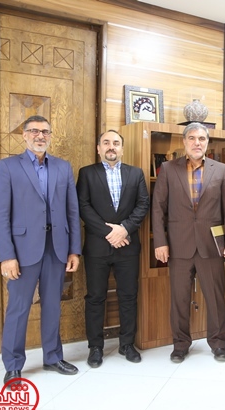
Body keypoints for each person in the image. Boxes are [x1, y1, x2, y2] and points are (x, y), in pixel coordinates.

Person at [0, 115, 82, 385]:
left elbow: (72, 211)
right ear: (24, 135)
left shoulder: (63, 167)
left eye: (45, 131)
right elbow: (0, 214)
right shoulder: (8, 167)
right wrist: (7, 256)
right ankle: (13, 365)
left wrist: (74, 250)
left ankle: (53, 357)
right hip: (22, 251)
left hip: (57, 248)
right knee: (18, 308)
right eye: (34, 131)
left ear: (50, 135)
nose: (40, 136)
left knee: (52, 306)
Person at [152, 122, 225, 363]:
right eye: (192, 138)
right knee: (179, 299)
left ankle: (218, 344)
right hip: (178, 245)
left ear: (207, 142)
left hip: (212, 246)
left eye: (201, 138)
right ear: (184, 142)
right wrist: (160, 242)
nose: (197, 143)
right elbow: (158, 209)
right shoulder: (168, 169)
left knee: (215, 298)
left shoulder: (221, 170)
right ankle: (180, 345)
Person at [77, 130, 150, 368]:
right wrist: (110, 233)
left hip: (127, 246)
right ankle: (95, 347)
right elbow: (83, 206)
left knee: (128, 296)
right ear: (98, 148)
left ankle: (127, 344)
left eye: (116, 143)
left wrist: (124, 229)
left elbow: (143, 204)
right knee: (95, 297)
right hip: (97, 247)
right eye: (106, 143)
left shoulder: (136, 173)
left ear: (122, 148)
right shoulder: (87, 173)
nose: (111, 146)